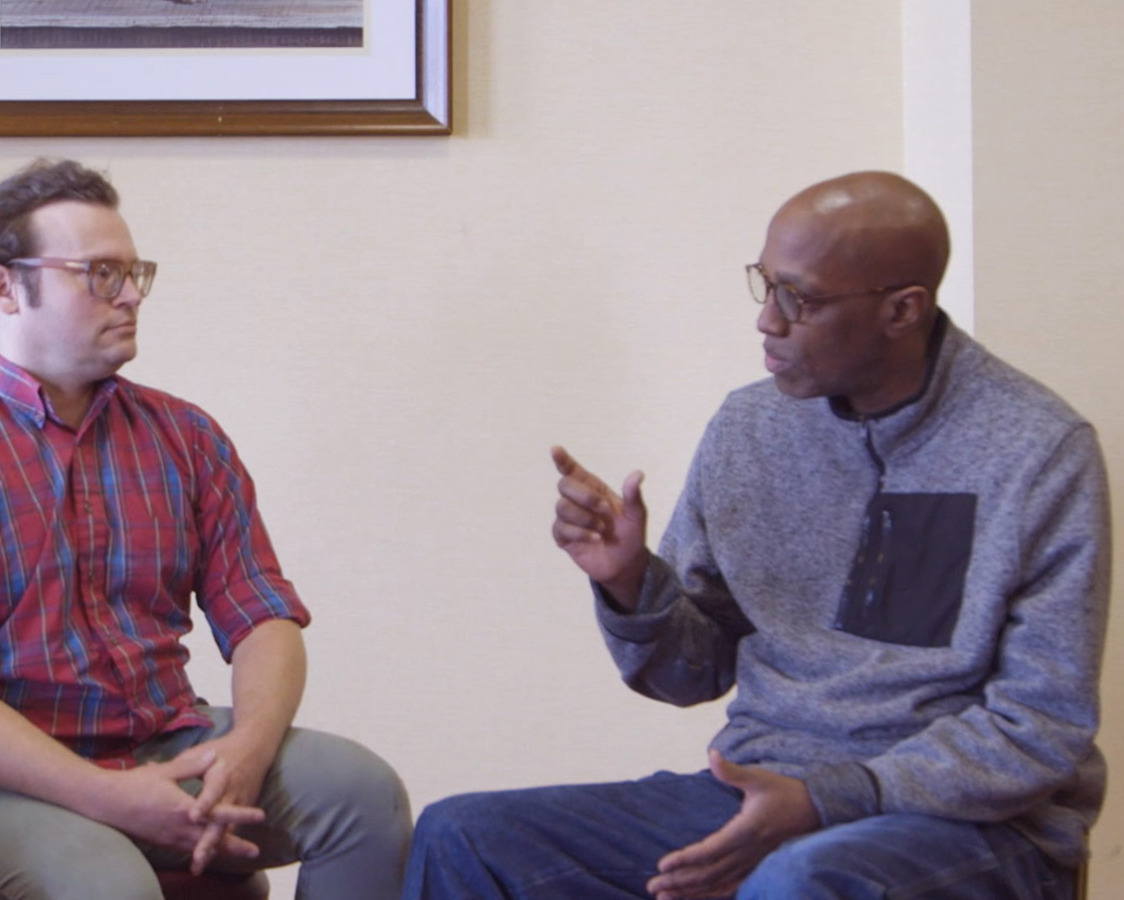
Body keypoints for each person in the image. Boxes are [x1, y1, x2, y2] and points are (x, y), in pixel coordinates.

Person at [403, 171, 1105, 900]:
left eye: (797, 298)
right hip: (761, 794)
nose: (766, 321)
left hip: (966, 828)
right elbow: (692, 671)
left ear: (903, 310)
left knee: (798, 878)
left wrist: (832, 799)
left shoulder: (1035, 451)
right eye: (764, 285)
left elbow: (1040, 728)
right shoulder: (751, 427)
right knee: (466, 836)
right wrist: (630, 583)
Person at [0, 159, 412, 900]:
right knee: (108, 884)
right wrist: (111, 797)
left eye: (134, 273)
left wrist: (246, 749)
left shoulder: (184, 436)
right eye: (100, 274)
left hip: (157, 741)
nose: (130, 296)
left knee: (365, 797)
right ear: (3, 287)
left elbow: (263, 617)